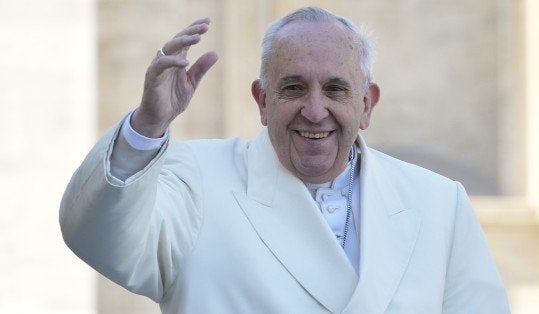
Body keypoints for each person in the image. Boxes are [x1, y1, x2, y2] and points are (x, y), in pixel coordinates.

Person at [60, 6, 510, 314]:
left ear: (367, 104)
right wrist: (147, 126)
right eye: (294, 88)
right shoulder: (196, 179)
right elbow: (99, 239)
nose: (315, 111)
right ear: (262, 100)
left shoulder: (438, 203)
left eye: (335, 89)